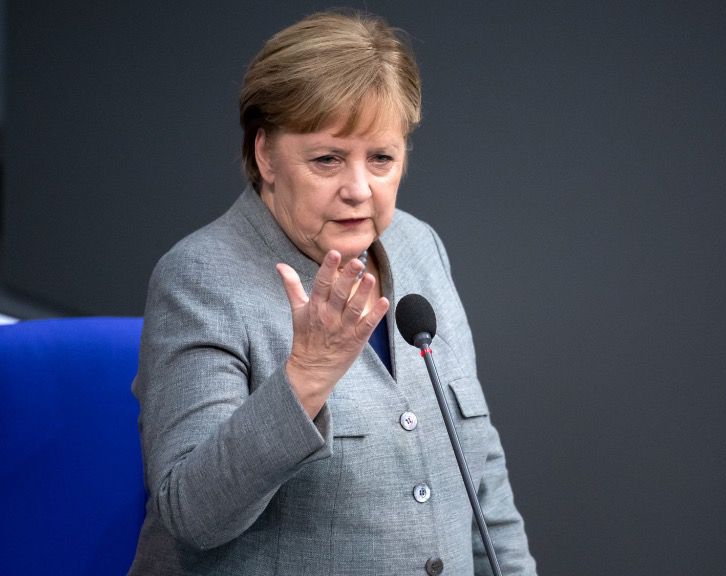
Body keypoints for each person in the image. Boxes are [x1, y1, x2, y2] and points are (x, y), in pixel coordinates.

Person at [129, 10, 537, 575]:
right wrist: (307, 377)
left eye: (382, 158)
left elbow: (480, 474)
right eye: (327, 159)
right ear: (265, 154)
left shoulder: (420, 247)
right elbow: (192, 515)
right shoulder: (200, 280)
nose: (358, 189)